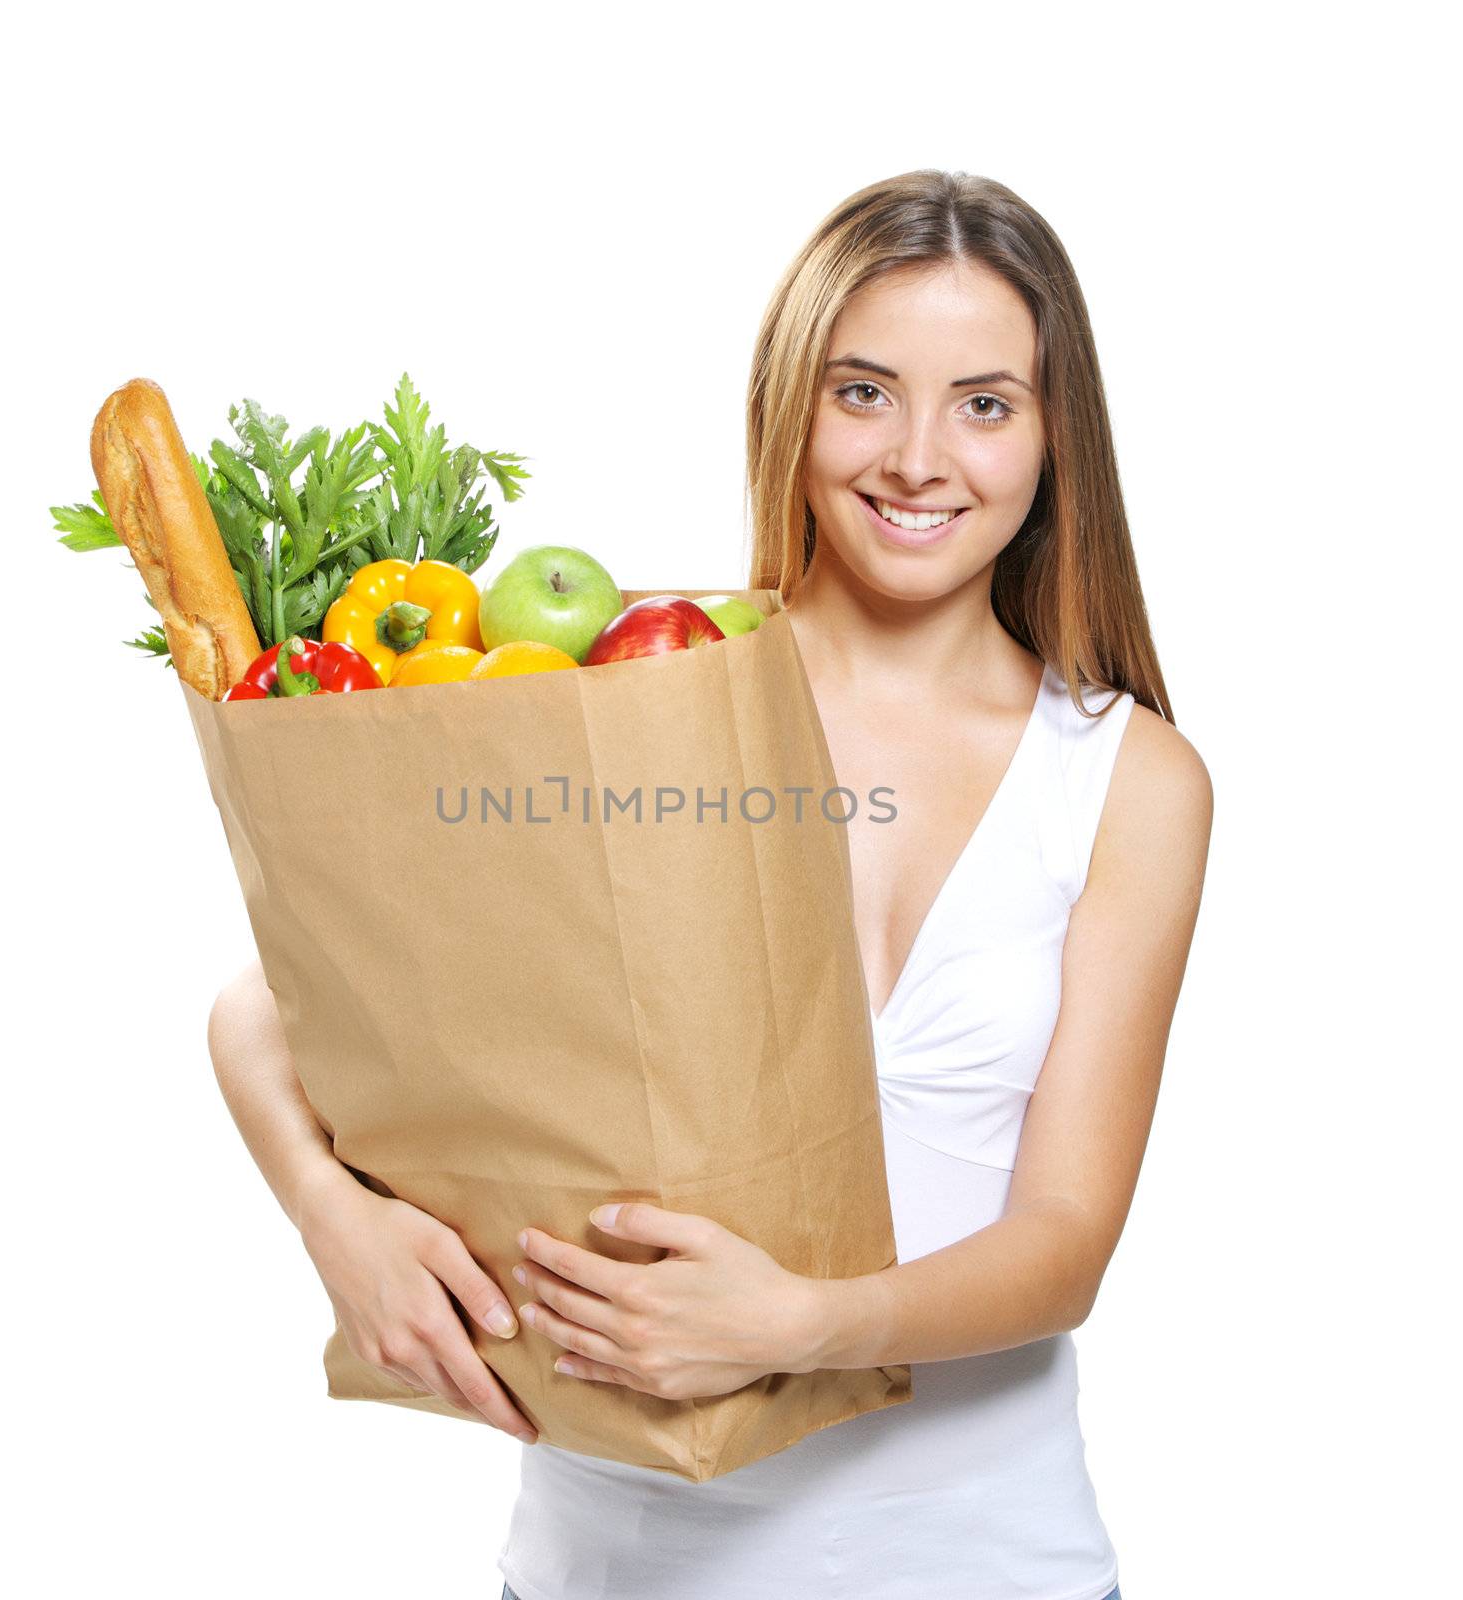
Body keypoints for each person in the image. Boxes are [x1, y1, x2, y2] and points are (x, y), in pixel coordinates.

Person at [209, 169, 1210, 1600]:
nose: (920, 457)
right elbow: (275, 1006)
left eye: (985, 403)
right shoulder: (642, 690)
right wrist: (333, 1212)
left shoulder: (1130, 779)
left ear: (1056, 438)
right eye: (865, 392)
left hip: (990, 1570)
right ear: (791, 404)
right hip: (608, 1567)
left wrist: (803, 1323)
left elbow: (1063, 1246)